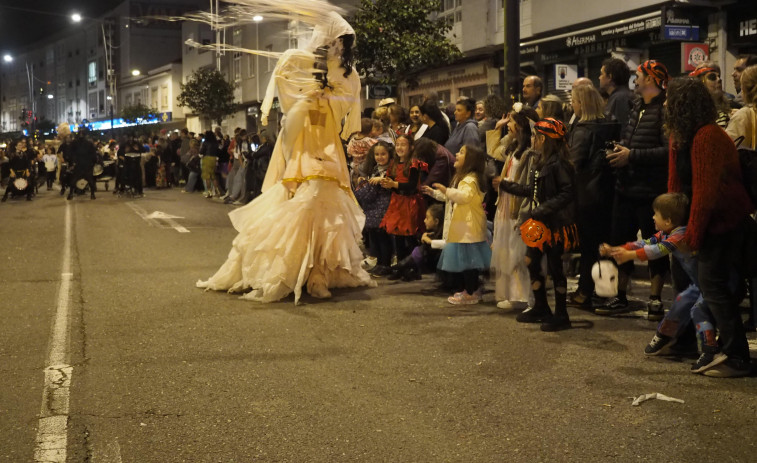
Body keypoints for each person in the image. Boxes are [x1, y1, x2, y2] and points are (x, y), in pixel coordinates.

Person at [197, 10, 374, 303]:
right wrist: (308, 94)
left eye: (344, 41)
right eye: (336, 39)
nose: (340, 46)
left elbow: (347, 106)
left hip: (326, 138)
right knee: (303, 198)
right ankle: (295, 269)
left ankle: (318, 272)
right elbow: (287, 93)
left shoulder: (346, 72)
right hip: (302, 136)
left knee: (326, 202)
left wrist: (329, 97)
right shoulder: (298, 60)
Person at [666, 76, 755, 377]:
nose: (665, 104)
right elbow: (676, 187)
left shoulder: (707, 136)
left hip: (723, 223)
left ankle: (737, 356)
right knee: (699, 286)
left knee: (714, 288)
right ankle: (699, 345)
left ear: (682, 105)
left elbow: (705, 194)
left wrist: (691, 235)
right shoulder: (681, 136)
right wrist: (671, 225)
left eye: (670, 99)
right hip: (704, 221)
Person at [600, 193, 721, 373]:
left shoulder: (680, 235)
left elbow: (659, 250)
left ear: (668, 220)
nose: (653, 217)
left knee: (699, 310)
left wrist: (629, 256)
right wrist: (619, 249)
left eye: (656, 214)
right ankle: (665, 335)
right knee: (680, 303)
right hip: (699, 285)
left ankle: (709, 349)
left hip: (711, 285)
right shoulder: (666, 232)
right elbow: (646, 242)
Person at [597, 60, 670, 317]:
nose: (635, 80)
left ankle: (655, 299)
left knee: (655, 248)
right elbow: (629, 140)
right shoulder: (636, 105)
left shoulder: (664, 110)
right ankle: (619, 296)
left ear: (650, 79)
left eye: (638, 76)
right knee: (621, 242)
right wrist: (619, 150)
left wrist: (633, 155)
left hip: (650, 191)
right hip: (625, 187)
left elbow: (667, 150)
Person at [498, 118, 578, 331]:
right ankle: (541, 307)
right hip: (541, 224)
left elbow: (567, 193)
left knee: (556, 268)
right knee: (531, 262)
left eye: (535, 136)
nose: (532, 139)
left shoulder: (559, 164)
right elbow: (532, 191)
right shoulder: (540, 161)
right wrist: (507, 186)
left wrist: (541, 210)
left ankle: (562, 315)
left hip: (555, 226)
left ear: (543, 139)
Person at [566, 84, 620, 309]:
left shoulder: (583, 129)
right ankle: (605, 291)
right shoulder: (612, 125)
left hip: (587, 193)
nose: (572, 106)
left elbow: (574, 164)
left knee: (588, 245)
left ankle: (585, 292)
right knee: (604, 245)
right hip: (609, 192)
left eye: (575, 102)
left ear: (582, 104)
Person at [422, 144, 491, 305]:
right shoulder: (463, 178)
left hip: (468, 226)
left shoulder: (470, 179)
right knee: (466, 261)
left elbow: (463, 197)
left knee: (469, 262)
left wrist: (446, 190)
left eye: (461, 152)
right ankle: (469, 289)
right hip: (464, 225)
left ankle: (472, 292)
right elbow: (453, 197)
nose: (456, 154)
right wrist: (436, 193)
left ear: (470, 160)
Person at [488, 103, 539, 310]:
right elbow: (493, 150)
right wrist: (501, 129)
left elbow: (527, 185)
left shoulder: (529, 152)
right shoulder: (514, 147)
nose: (509, 124)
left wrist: (505, 184)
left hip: (516, 204)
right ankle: (508, 293)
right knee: (505, 250)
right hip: (505, 202)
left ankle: (520, 296)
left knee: (515, 250)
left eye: (512, 122)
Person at [379, 134, 427, 266]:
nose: (399, 147)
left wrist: (394, 184)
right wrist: (387, 184)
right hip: (397, 202)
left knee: (410, 236)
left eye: (403, 144)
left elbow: (412, 185)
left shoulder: (414, 164)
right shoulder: (394, 163)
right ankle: (400, 265)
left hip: (409, 202)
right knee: (397, 236)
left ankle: (411, 266)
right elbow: (392, 183)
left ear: (411, 147)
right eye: (397, 144)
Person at [354, 141, 395, 276]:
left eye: (383, 154)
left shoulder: (392, 168)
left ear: (389, 154)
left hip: (386, 205)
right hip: (375, 206)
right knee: (375, 234)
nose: (380, 157)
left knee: (383, 235)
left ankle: (385, 264)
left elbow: (392, 182)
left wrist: (381, 180)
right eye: (377, 154)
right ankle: (379, 262)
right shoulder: (376, 168)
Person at [391, 203, 445, 281]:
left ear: (436, 221)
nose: (424, 220)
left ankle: (398, 267)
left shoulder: (443, 233)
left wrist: (428, 241)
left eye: (427, 218)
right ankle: (401, 268)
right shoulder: (433, 232)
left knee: (422, 250)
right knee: (420, 249)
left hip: (435, 262)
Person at [690, 63, 730, 128]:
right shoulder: (693, 115)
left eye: (719, 76)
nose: (719, 80)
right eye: (712, 77)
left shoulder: (732, 107)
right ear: (700, 85)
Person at [599, 58, 633, 129]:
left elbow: (622, 128)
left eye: (601, 74)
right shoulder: (620, 96)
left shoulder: (620, 99)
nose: (599, 77)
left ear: (610, 77)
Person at [67, 129, 98, 200]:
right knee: (89, 180)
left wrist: (71, 162)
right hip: (84, 164)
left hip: (80, 164)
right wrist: (93, 163)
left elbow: (70, 153)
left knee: (75, 179)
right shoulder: (88, 143)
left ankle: (71, 194)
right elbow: (93, 154)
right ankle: (92, 194)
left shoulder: (75, 143)